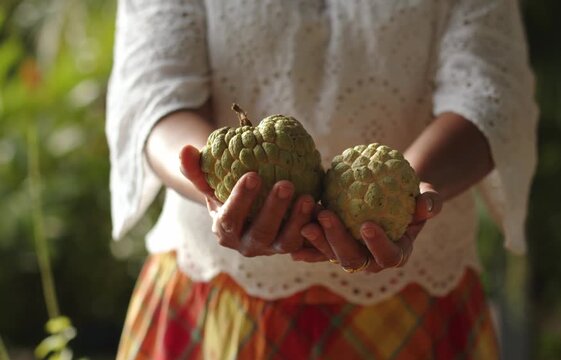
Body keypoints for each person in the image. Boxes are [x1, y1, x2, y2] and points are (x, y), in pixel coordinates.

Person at [106, 0, 537, 358]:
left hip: (418, 295)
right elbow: (153, 92)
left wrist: (404, 191)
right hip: (219, 292)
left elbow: (491, 95)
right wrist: (215, 188)